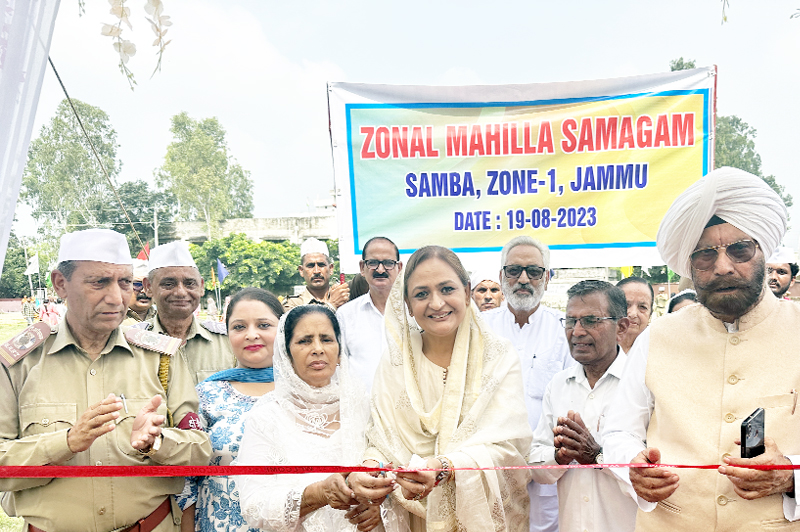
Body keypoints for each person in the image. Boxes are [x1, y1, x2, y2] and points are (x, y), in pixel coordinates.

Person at [603, 167, 800, 530]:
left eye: (740, 249)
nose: (723, 267)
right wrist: (632, 465)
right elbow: (618, 431)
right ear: (691, 265)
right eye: (706, 255)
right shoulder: (658, 337)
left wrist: (791, 476)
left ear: (763, 253)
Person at [0, 228, 211, 532]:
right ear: (61, 283)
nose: (116, 297)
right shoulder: (18, 363)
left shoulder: (160, 356)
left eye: (125, 282)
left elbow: (200, 450)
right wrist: (66, 443)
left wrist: (157, 443)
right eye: (99, 282)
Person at [348, 245, 532, 532]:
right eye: (421, 294)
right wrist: (370, 467)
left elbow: (509, 449)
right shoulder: (396, 362)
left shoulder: (497, 357)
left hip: (480, 519)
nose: (436, 303)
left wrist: (445, 467)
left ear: (467, 291)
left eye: (447, 289)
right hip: (409, 516)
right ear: (407, 304)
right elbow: (381, 438)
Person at [238, 305, 400, 532]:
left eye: (326, 339)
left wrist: (378, 504)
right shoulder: (266, 416)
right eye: (304, 341)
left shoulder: (365, 406)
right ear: (287, 352)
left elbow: (393, 470)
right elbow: (254, 506)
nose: (317, 349)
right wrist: (318, 493)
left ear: (340, 347)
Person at [529, 280, 636, 532]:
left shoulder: (642, 384)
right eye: (570, 321)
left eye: (590, 321)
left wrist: (597, 456)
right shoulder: (558, 385)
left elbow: (652, 471)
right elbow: (535, 468)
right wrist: (559, 457)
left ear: (621, 327)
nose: (576, 331)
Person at [482, 236, 572, 532]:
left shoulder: (565, 329)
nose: (523, 279)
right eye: (514, 270)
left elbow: (571, 399)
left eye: (533, 271)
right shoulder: (480, 330)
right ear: (501, 276)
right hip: (492, 469)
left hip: (547, 470)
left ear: (546, 277)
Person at [177, 287, 283, 532]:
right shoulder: (206, 395)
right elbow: (186, 482)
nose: (251, 334)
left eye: (264, 325)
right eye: (239, 327)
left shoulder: (307, 393)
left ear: (284, 330)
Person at [140, 241, 235, 384]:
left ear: (201, 286)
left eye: (190, 283)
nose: (180, 292)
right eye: (168, 284)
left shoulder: (228, 343)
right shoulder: (133, 342)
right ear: (148, 287)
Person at [337, 236, 403, 390]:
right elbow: (339, 366)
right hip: (361, 410)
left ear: (399, 268)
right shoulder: (346, 315)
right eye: (373, 263)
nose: (380, 270)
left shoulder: (414, 313)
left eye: (388, 263)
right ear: (362, 267)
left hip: (407, 411)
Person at [283, 238, 349, 311]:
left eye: (321, 265)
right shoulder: (293, 303)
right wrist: (332, 305)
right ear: (301, 271)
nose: (317, 271)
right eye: (310, 266)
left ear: (331, 269)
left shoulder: (343, 296)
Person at [615, 276, 653, 353]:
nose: (633, 314)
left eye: (642, 307)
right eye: (625, 305)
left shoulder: (659, 353)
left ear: (650, 314)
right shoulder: (596, 350)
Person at [124, 258, 157, 325]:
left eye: (149, 286)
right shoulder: (114, 318)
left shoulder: (164, 318)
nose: (144, 291)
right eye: (138, 285)